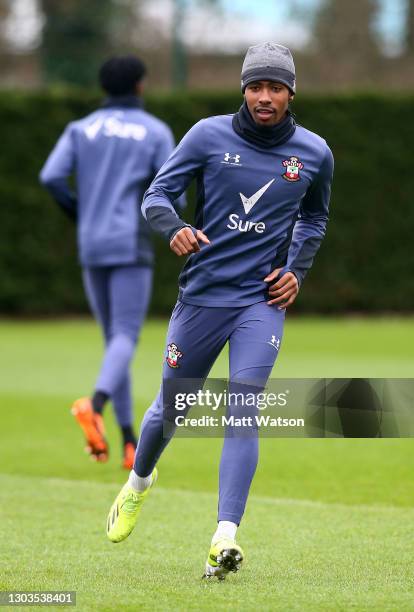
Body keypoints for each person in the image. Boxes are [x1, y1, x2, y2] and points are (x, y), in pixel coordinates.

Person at [105, 43, 334, 578]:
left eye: (275, 87)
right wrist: (176, 229)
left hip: (260, 302)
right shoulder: (208, 135)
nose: (264, 96)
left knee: (243, 409)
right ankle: (138, 483)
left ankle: (224, 537)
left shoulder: (315, 153)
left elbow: (315, 220)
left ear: (291, 93)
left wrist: (296, 271)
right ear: (243, 90)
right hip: (202, 297)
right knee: (172, 411)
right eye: (255, 86)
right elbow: (156, 196)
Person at [40, 56, 181, 470]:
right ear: (140, 85)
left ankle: (128, 441)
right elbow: (170, 186)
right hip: (130, 241)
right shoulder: (154, 130)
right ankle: (95, 404)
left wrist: (80, 214)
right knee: (125, 336)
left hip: (91, 242)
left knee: (113, 343)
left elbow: (51, 176)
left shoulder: (80, 128)